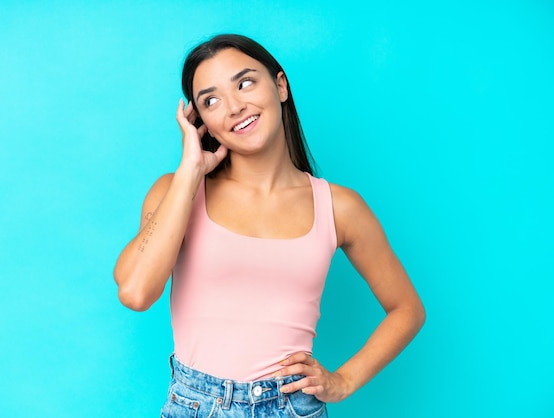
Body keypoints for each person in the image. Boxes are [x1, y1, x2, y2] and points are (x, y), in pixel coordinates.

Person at [114, 34, 425, 417]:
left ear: (280, 86)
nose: (234, 107)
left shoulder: (339, 207)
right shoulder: (177, 192)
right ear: (201, 121)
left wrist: (343, 381)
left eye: (245, 83)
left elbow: (407, 308)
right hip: (196, 404)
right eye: (211, 100)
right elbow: (135, 292)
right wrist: (190, 170)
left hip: (292, 407)